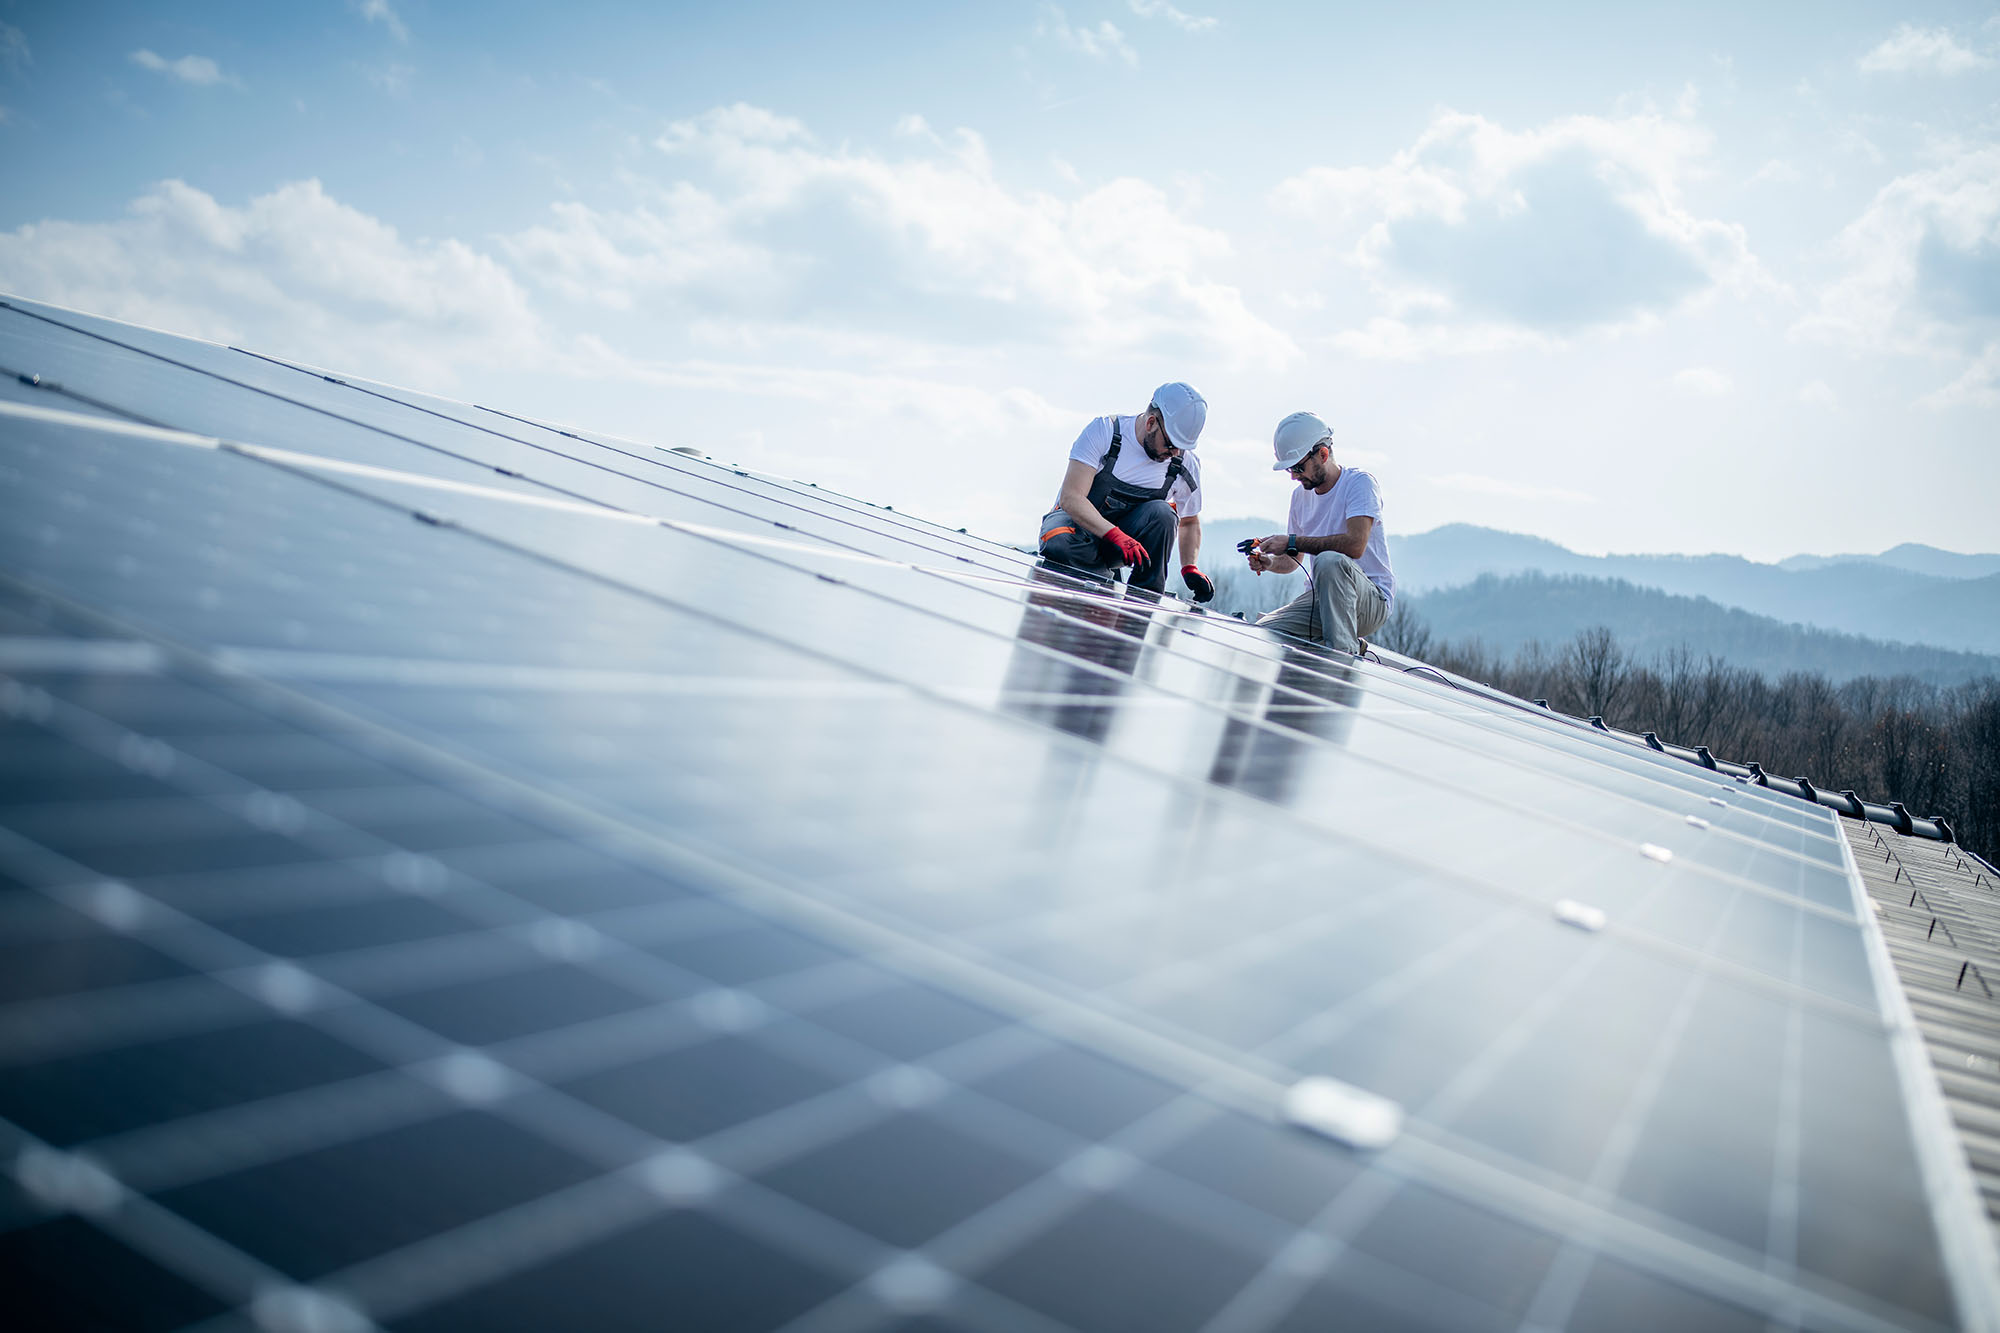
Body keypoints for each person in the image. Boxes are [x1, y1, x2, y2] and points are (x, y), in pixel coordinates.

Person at [1038, 382, 1214, 600]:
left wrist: (1190, 567)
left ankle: (1144, 598)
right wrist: (1115, 534)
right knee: (1059, 541)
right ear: (1151, 423)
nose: (1175, 452)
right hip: (1075, 531)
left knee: (1164, 514)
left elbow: (1189, 521)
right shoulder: (1105, 432)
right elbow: (1071, 497)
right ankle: (1100, 577)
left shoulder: (1184, 463)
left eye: (1182, 447)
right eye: (1170, 444)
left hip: (1119, 547)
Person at [1245, 411, 1395, 654]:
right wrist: (1270, 562)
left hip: (1369, 601)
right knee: (1265, 632)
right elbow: (1294, 561)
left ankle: (1342, 657)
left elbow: (1355, 545)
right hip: (1321, 598)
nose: (1294, 476)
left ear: (1323, 454)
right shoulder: (1299, 497)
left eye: (1298, 467)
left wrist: (1292, 541)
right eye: (1289, 470)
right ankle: (1341, 642)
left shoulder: (1359, 483)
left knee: (1329, 560)